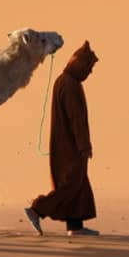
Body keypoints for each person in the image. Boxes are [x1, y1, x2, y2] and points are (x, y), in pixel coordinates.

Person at [24, 41, 100, 237]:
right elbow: (76, 120)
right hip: (70, 147)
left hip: (65, 145)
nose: (89, 72)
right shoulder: (70, 85)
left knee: (78, 184)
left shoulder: (64, 81)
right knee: (70, 184)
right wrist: (83, 145)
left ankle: (75, 225)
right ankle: (37, 209)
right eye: (89, 68)